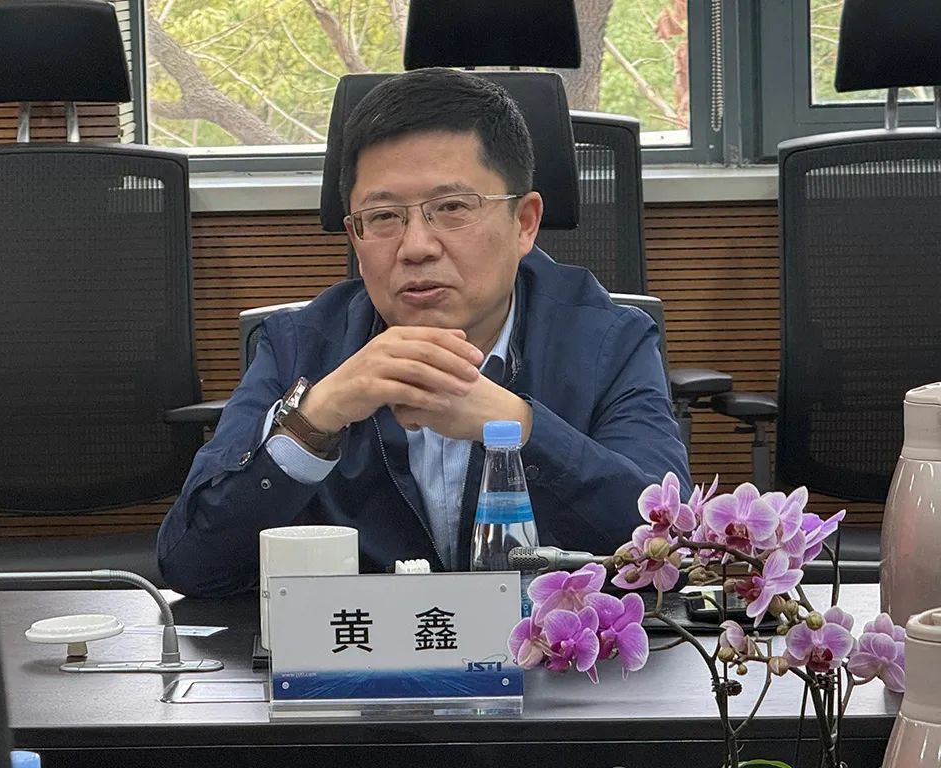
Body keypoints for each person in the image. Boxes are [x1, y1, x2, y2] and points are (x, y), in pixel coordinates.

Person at [157, 68, 691, 598]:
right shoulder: (300, 345)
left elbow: (672, 550)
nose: (416, 247)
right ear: (355, 235)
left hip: (551, 649)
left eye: (452, 208)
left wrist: (519, 428)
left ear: (524, 223)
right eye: (383, 216)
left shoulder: (609, 341)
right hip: (360, 649)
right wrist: (316, 420)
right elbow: (192, 565)